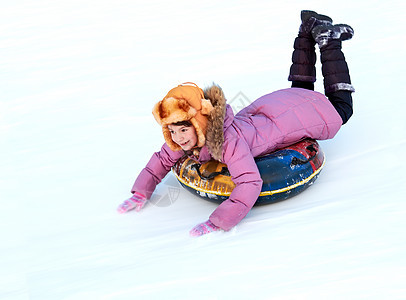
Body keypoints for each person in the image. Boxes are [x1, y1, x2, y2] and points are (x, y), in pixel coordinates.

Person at [117, 10, 355, 237]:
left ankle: (329, 41)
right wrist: (141, 192)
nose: (178, 138)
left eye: (183, 130)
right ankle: (308, 29)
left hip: (285, 117)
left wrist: (218, 221)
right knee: (301, 90)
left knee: (341, 109)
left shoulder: (228, 143)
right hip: (272, 108)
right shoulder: (183, 138)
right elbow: (161, 160)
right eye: (172, 131)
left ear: (198, 123)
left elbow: (250, 182)